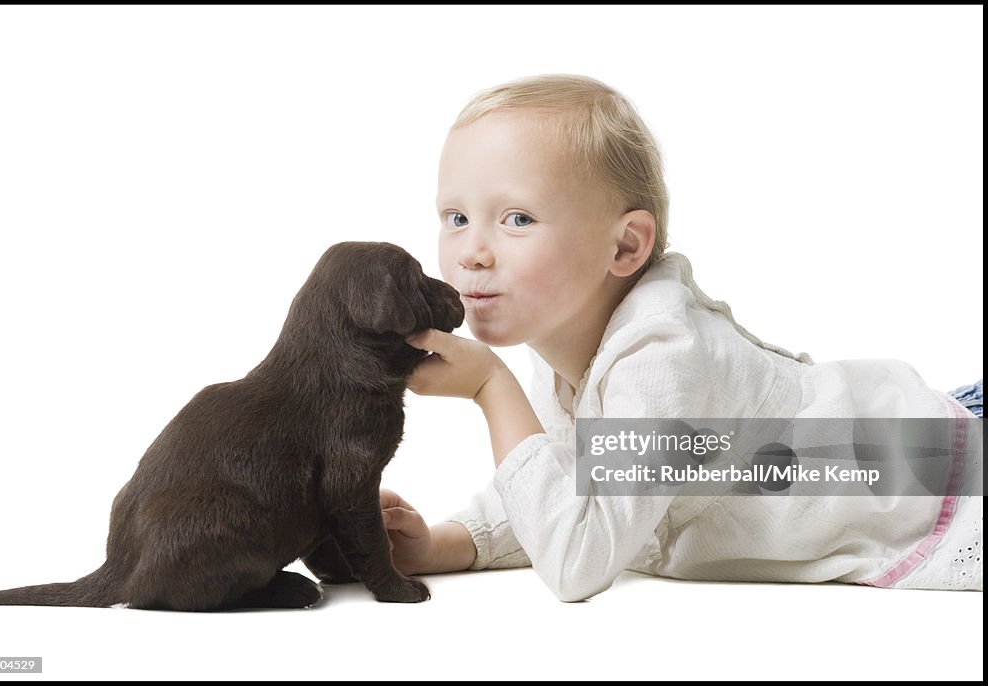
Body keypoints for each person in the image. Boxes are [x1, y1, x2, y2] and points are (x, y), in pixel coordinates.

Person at [380, 74, 983, 600]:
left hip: (936, 471)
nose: (472, 253)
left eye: (517, 219)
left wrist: (491, 387)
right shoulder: (568, 348)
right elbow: (567, 486)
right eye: (456, 218)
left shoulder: (663, 355)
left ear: (624, 246)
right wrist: (446, 544)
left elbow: (576, 561)